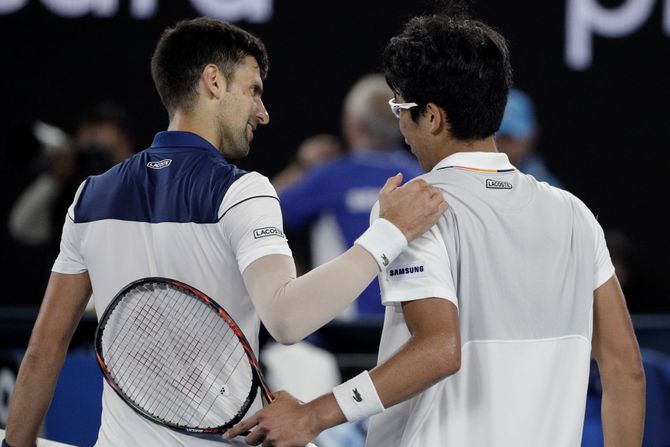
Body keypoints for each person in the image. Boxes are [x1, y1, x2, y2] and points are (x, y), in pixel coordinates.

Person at [2, 17, 447, 447]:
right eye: (253, 90)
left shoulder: (90, 197)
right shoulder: (243, 192)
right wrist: (388, 234)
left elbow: (45, 347)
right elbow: (287, 318)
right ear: (213, 82)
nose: (263, 112)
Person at [227, 11, 646, 447]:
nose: (400, 127)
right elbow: (625, 370)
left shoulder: (414, 207)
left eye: (401, 109)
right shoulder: (574, 213)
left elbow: (440, 350)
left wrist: (315, 414)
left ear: (432, 117)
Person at [277, 74, 423, 319]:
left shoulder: (330, 176)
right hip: (405, 322)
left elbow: (262, 211)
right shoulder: (419, 179)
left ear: (353, 124)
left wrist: (302, 166)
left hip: (341, 328)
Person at [495, 88, 563, 187]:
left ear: (532, 137)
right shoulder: (469, 178)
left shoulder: (550, 189)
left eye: (511, 138)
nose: (504, 145)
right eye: (497, 137)